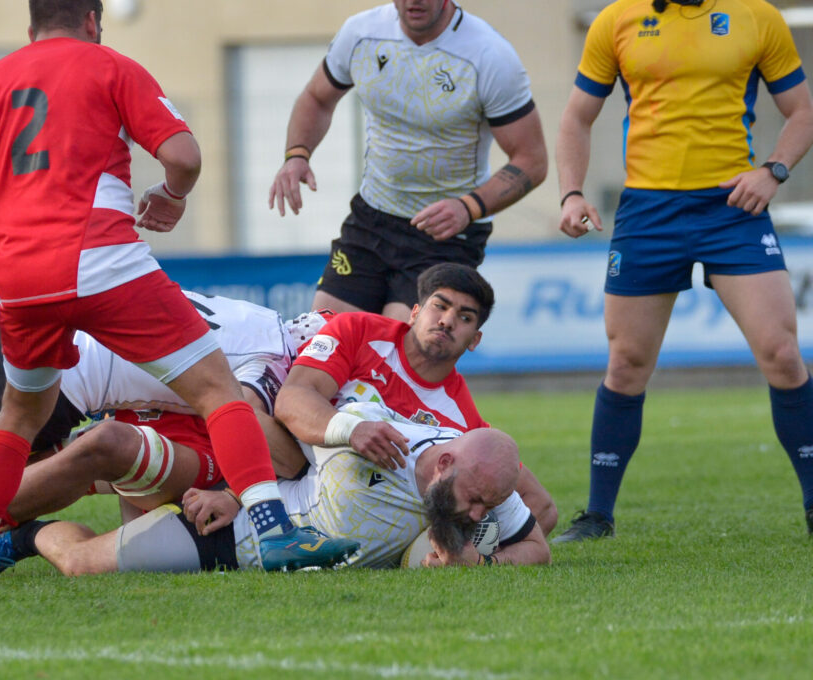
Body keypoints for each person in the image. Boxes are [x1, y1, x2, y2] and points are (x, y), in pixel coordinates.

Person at [0, 0, 357, 578]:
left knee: (19, 418)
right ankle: (277, 534)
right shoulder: (109, 65)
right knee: (218, 390)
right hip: (101, 259)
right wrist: (172, 194)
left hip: (20, 280)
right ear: (93, 21)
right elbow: (184, 156)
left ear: (31, 27)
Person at [0, 292, 321, 582]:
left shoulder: (250, 316)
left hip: (8, 330)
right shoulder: (275, 358)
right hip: (53, 375)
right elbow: (247, 413)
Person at [552, 0, 813, 542]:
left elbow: (802, 111)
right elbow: (577, 117)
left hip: (734, 209)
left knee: (783, 354)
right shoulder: (615, 20)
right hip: (649, 213)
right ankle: (598, 516)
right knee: (626, 363)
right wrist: (571, 193)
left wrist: (773, 171)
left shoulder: (757, 16)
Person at [2, 405, 550, 576]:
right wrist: (236, 496)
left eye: (485, 504)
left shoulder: (486, 478)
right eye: (474, 499)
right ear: (444, 462)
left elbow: (538, 549)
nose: (477, 511)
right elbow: (278, 441)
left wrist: (486, 564)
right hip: (232, 537)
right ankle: (29, 535)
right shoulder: (366, 433)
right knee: (78, 565)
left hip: (275, 552)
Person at [268, 0, 547, 321]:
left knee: (396, 352)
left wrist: (468, 207)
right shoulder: (361, 33)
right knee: (321, 341)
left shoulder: (489, 56)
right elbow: (316, 98)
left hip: (445, 237)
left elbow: (532, 160)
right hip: (371, 221)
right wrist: (297, 154)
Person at [275, 262, 558, 535]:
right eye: (440, 306)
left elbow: (542, 508)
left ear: (474, 340)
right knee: (251, 417)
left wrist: (459, 548)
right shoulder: (358, 331)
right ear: (414, 313)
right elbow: (291, 399)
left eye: (465, 317)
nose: (447, 321)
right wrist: (351, 430)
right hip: (290, 463)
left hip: (351, 512)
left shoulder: (463, 422)